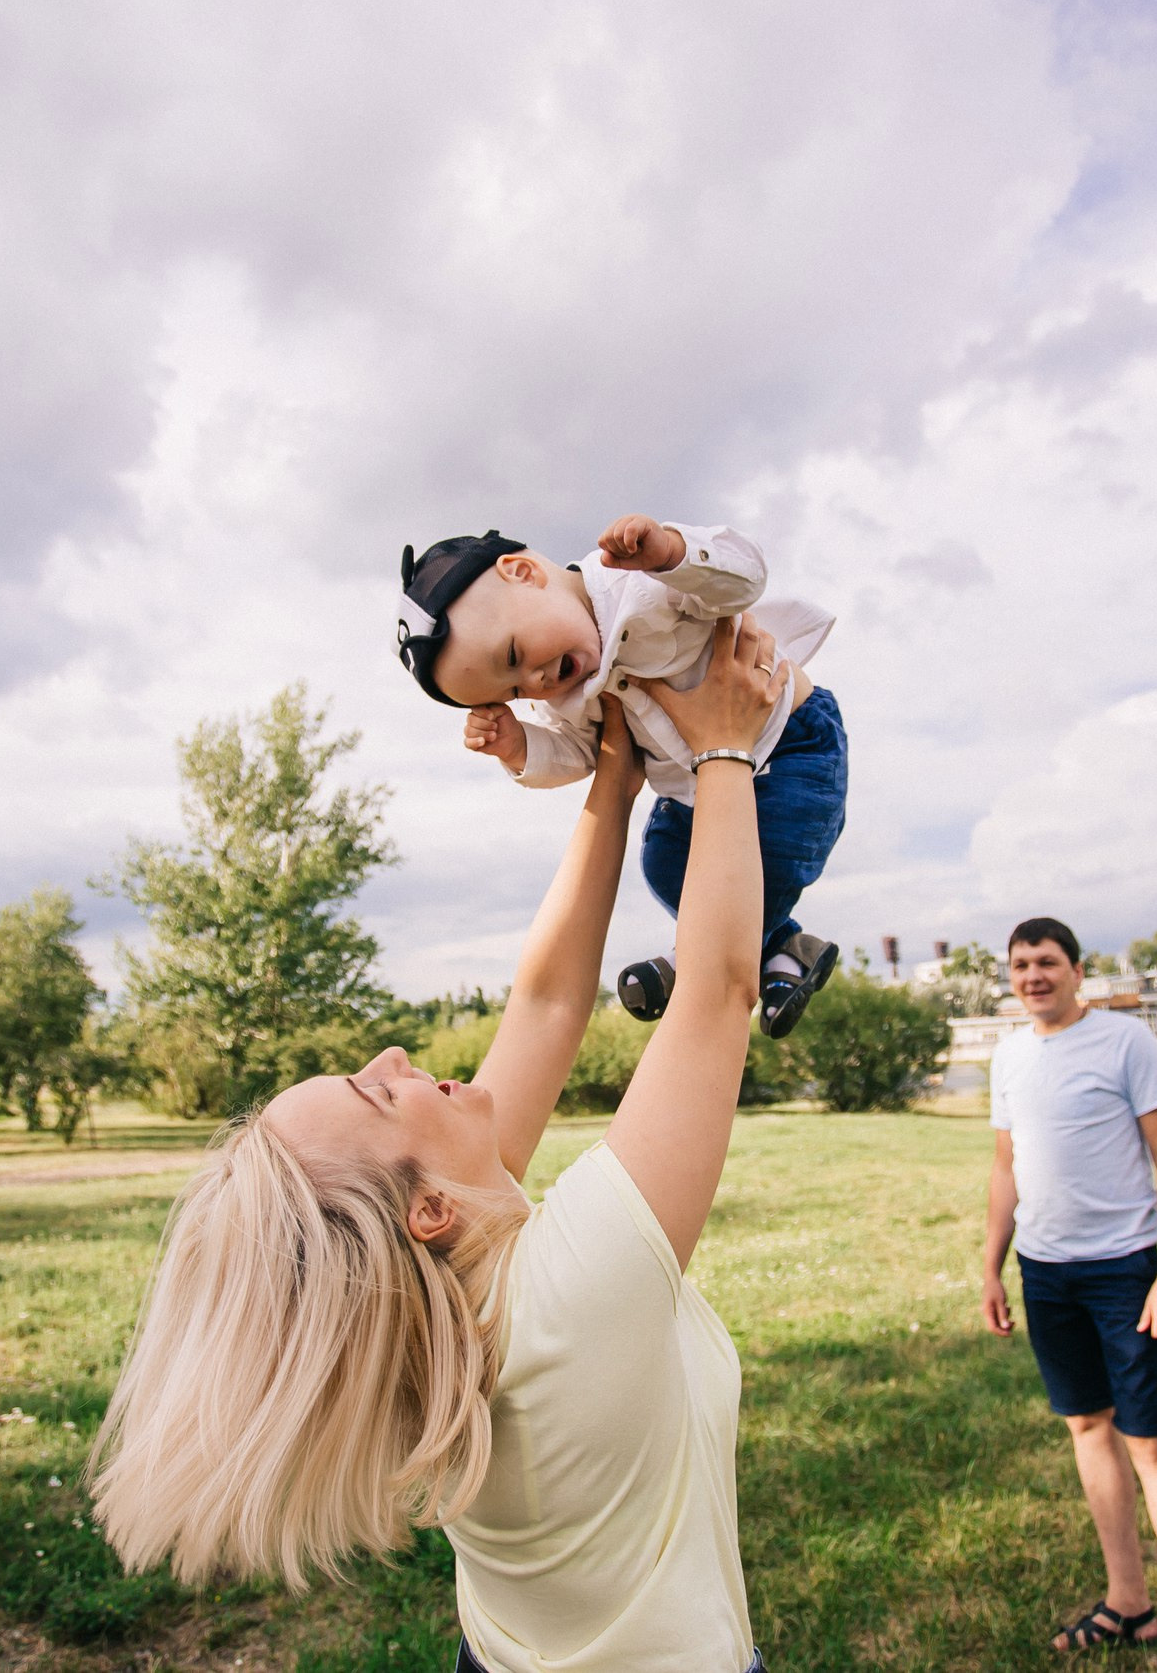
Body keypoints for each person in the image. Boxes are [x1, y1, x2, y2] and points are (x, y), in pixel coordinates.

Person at [90, 617, 791, 1673]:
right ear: (427, 1210)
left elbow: (548, 1001)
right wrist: (724, 746)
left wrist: (612, 777)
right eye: (377, 1094)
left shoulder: (443, 1309)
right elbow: (718, 991)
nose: (392, 1054)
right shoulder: (567, 1300)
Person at [392, 517, 847, 1037]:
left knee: (779, 851)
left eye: (514, 656)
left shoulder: (638, 580)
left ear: (523, 572)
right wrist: (522, 748)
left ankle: (694, 960)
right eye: (514, 692)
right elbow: (583, 752)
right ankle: (784, 949)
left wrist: (674, 553)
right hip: (694, 791)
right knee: (663, 863)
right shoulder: (564, 696)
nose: (535, 681)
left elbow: (744, 576)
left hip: (791, 748)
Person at [980, 917, 1157, 1673]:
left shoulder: (1126, 1042)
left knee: (1151, 1444)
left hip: (1125, 1270)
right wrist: (991, 1267)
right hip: (1044, 1271)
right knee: (1088, 1426)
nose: (1033, 976)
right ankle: (1129, 1602)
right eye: (1021, 965)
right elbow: (1006, 1167)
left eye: (1047, 962)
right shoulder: (1009, 1055)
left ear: (1077, 970)